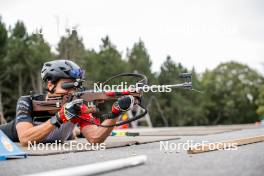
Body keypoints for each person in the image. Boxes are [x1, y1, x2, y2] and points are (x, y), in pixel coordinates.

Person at [0, 59, 134, 146]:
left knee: (73, 134)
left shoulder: (77, 104)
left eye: (75, 86)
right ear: (50, 84)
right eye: (67, 85)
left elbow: (95, 138)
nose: (72, 91)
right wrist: (60, 118)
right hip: (5, 139)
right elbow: (24, 138)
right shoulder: (28, 101)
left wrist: (115, 113)